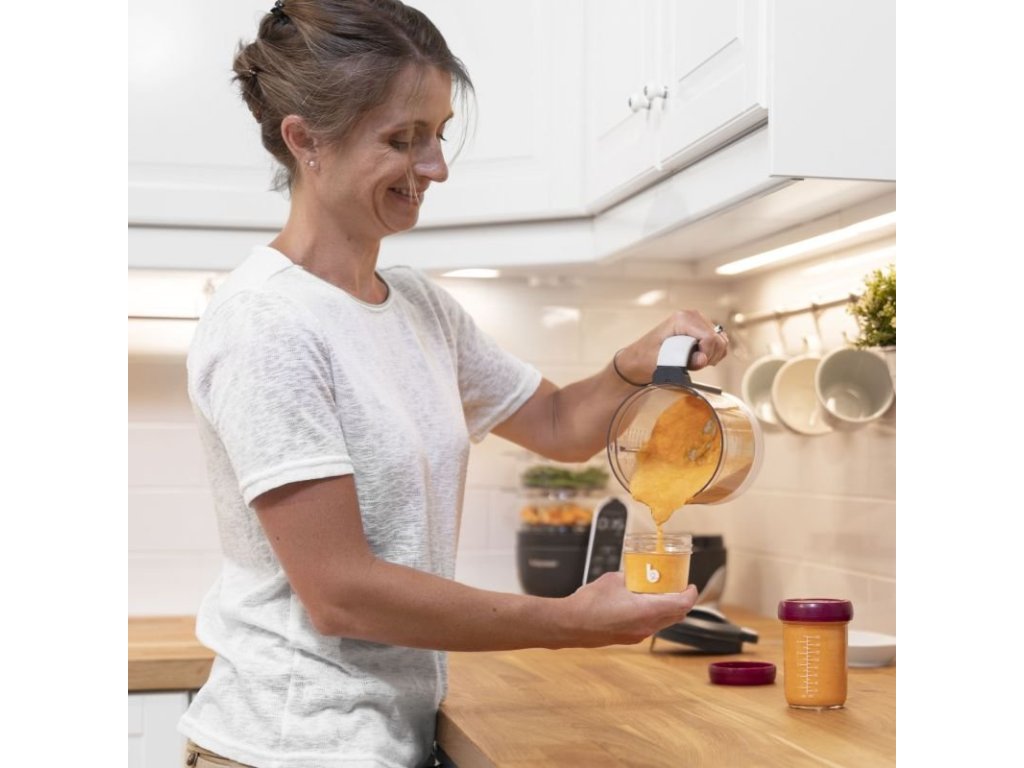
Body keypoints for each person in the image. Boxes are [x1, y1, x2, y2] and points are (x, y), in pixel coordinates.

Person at [178, 1, 730, 766]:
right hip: (287, 744)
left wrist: (634, 363)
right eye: (403, 139)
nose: (436, 167)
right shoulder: (265, 322)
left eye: (438, 133)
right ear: (305, 140)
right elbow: (341, 593)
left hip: (381, 738)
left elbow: (559, 424)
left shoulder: (417, 306)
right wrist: (568, 622)